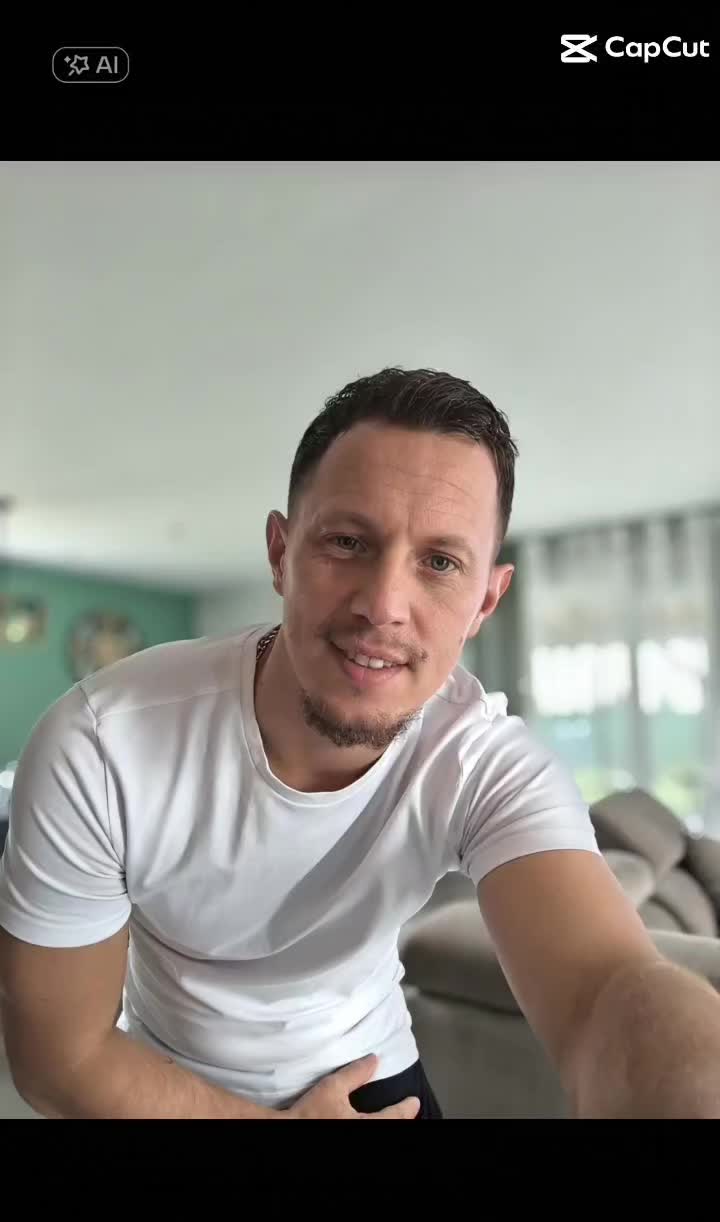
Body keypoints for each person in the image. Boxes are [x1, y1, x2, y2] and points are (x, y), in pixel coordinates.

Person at [2, 367, 720, 1120]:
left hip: (371, 1072)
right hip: (160, 1085)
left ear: (485, 600)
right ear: (281, 554)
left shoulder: (483, 766)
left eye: (440, 562)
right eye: (347, 542)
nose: (383, 606)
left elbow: (609, 989)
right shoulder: (101, 745)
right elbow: (61, 1059)